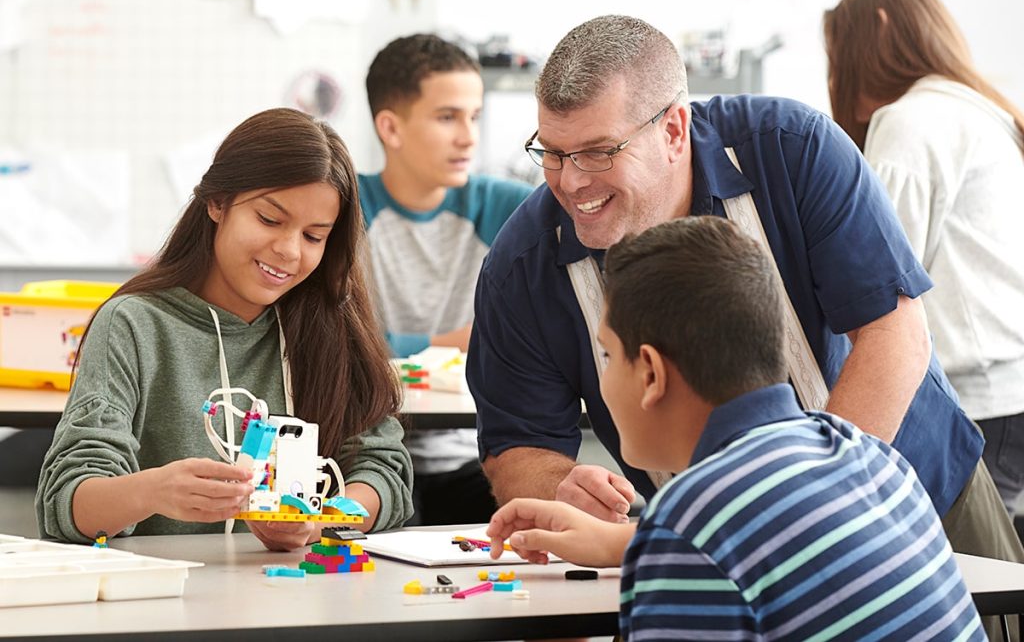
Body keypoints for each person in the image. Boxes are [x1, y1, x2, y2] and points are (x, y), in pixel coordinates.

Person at [468, 15, 1021, 564]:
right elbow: (518, 442)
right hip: (714, 548)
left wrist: (800, 510)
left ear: (674, 130)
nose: (570, 181)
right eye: (553, 153)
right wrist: (559, 486)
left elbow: (893, 332)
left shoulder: (793, 151)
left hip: (917, 486)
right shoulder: (522, 267)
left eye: (597, 152)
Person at [487, 216, 984, 641]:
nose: (603, 377)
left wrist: (663, 545)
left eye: (608, 356)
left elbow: (710, 543)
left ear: (652, 375)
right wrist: (628, 544)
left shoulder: (691, 525)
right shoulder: (872, 457)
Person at [36, 108, 414, 550]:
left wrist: (320, 520)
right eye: (270, 220)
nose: (289, 251)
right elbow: (67, 501)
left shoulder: (333, 324)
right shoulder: (133, 324)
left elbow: (385, 473)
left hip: (298, 598)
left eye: (314, 236)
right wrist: (153, 491)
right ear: (217, 202)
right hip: (166, 601)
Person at [825, 0, 1024, 541]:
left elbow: (874, 270)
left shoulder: (911, 120)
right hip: (1013, 384)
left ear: (881, 30)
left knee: (962, 576)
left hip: (977, 395)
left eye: (840, 51)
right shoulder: (982, 111)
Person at [359, 34, 533, 524]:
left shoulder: (512, 207)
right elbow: (343, 348)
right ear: (390, 128)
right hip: (367, 463)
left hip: (476, 459)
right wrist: (453, 342)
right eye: (447, 117)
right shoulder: (341, 210)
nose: (468, 137)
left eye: (474, 117)